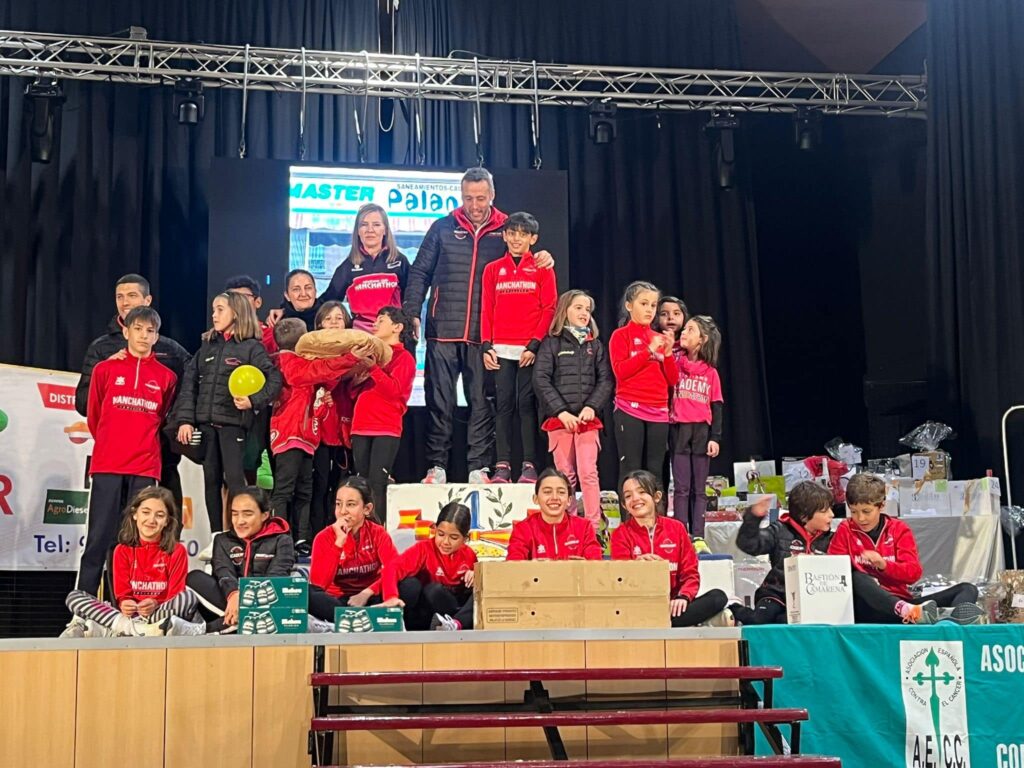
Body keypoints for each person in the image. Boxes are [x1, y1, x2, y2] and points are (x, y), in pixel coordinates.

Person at [403, 167, 554, 484]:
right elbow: (420, 272)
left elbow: (526, 255)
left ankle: (479, 467)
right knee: (439, 403)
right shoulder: (442, 227)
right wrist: (412, 311)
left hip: (483, 336)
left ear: (492, 195)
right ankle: (436, 467)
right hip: (442, 331)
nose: (474, 205)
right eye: (468, 198)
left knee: (482, 404)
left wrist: (543, 257)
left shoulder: (508, 229)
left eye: (481, 198)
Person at [75, 306, 178, 600]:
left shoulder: (167, 377)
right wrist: (111, 442)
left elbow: (162, 416)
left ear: (157, 336)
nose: (144, 336)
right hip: (108, 463)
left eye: (150, 331)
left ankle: (127, 606)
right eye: (138, 329)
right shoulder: (104, 369)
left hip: (145, 466)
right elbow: (95, 415)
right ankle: (84, 608)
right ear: (125, 331)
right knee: (98, 538)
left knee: (136, 540)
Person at [75, 273, 190, 508]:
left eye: (131, 295)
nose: (125, 302)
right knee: (108, 519)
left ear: (148, 300)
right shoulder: (101, 349)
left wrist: (170, 427)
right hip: (113, 456)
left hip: (158, 455)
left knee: (161, 515)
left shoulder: (171, 350)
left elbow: (186, 391)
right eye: (120, 297)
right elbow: (85, 403)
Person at [174, 292, 282, 533]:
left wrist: (253, 401)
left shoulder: (252, 347)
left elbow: (274, 380)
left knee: (235, 481)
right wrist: (185, 420)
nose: (214, 315)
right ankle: (217, 536)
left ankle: (241, 535)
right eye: (214, 309)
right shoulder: (207, 347)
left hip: (234, 426)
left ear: (237, 312)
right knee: (211, 481)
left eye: (220, 309)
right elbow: (189, 385)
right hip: (206, 426)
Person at [828, 473, 984, 625]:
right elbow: (834, 572)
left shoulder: (899, 529)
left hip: (904, 604)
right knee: (857, 577)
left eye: (866, 511)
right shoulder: (845, 529)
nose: (860, 518)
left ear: (882, 505)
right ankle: (915, 614)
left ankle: (946, 625)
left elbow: (913, 573)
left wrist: (884, 565)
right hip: (865, 607)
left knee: (968, 589)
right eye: (854, 512)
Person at [269, 318, 361, 554]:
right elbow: (320, 371)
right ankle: (279, 538)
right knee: (284, 490)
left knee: (304, 490)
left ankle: (300, 539)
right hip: (289, 434)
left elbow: (325, 378)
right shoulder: (284, 362)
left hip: (307, 436)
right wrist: (349, 357)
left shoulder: (301, 364)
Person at [184, 487, 333, 632]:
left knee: (303, 591)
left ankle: (216, 627)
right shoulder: (222, 540)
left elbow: (276, 577)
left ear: (264, 515)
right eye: (235, 514)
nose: (239, 521)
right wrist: (234, 594)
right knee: (195, 577)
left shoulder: (282, 539)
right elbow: (224, 572)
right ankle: (250, 622)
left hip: (268, 599)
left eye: (247, 514)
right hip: (231, 603)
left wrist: (246, 599)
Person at [480, 212, 558, 484]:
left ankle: (529, 465)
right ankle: (502, 466)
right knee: (503, 406)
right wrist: (486, 345)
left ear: (532, 239)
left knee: (526, 405)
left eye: (523, 234)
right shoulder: (492, 269)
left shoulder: (543, 268)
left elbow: (549, 308)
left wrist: (534, 345)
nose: (516, 239)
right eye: (512, 233)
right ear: (504, 235)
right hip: (500, 350)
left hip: (529, 350)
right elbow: (487, 308)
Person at [63, 487, 200, 637]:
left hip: (159, 615)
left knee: (189, 598)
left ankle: (121, 631)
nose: (151, 520)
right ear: (135, 514)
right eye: (145, 512)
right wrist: (125, 603)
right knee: (74, 597)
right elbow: (123, 595)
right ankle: (137, 629)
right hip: (127, 617)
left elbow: (175, 595)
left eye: (160, 515)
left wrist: (155, 603)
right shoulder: (122, 550)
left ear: (167, 521)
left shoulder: (177, 550)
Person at [533, 290, 613, 529]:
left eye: (587, 310)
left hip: (588, 422)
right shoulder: (551, 343)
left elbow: (606, 380)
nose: (584, 313)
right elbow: (541, 380)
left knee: (588, 473)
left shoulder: (595, 345)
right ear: (564, 310)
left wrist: (591, 407)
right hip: (560, 421)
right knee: (565, 476)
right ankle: (567, 526)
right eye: (578, 308)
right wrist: (561, 412)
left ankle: (593, 527)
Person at [612, 470, 730, 627]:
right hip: (638, 607)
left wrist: (683, 596)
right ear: (624, 505)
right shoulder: (620, 534)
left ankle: (665, 621)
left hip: (672, 606)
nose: (635, 499)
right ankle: (693, 621)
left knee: (718, 597)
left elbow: (690, 573)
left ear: (656, 497)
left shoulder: (676, 528)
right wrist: (637, 568)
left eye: (642, 492)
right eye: (628, 496)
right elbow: (619, 580)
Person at [732, 481, 834, 625]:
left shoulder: (832, 539)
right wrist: (753, 518)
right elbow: (749, 544)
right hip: (777, 593)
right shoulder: (779, 531)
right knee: (760, 619)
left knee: (789, 621)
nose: (832, 515)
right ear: (804, 516)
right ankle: (732, 608)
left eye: (831, 509)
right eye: (824, 511)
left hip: (813, 597)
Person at [608, 281, 678, 485]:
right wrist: (648, 351)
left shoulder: (659, 338)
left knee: (655, 469)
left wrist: (668, 355)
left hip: (658, 411)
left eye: (653, 305)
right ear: (629, 305)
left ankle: (656, 507)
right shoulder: (620, 335)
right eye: (644, 303)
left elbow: (672, 380)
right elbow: (621, 372)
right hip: (630, 408)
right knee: (631, 468)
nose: (649, 309)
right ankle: (628, 507)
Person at [350, 307, 416, 525]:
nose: (374, 324)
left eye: (381, 320)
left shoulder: (404, 358)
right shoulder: (371, 355)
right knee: (361, 484)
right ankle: (362, 531)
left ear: (397, 327)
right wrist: (357, 379)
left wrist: (374, 370)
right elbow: (351, 393)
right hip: (360, 424)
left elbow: (395, 391)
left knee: (377, 483)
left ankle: (377, 533)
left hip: (386, 426)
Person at [307, 477, 399, 622]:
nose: (343, 511)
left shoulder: (378, 533)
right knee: (307, 593)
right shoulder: (323, 537)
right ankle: (360, 618)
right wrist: (338, 543)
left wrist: (366, 593)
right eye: (338, 504)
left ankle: (355, 618)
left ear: (367, 509)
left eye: (351, 504)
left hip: (370, 598)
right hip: (337, 602)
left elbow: (395, 569)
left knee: (409, 584)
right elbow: (319, 585)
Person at [380, 502, 477, 631]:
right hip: (427, 611)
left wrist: (476, 575)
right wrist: (391, 597)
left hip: (454, 611)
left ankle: (455, 624)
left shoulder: (469, 555)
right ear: (435, 530)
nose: (446, 542)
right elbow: (392, 568)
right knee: (416, 586)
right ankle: (400, 623)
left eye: (454, 537)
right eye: (441, 534)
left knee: (481, 589)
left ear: (465, 539)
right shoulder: (424, 549)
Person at [670, 316, 724, 536]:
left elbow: (717, 407)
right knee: (681, 488)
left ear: (703, 339)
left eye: (690, 329)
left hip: (701, 432)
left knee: (699, 490)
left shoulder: (711, 373)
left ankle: (698, 535)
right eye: (684, 328)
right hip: (679, 431)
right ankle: (681, 534)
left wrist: (715, 438)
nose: (684, 332)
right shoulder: (675, 365)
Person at [225, 275, 274, 485]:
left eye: (244, 298)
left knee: (261, 464)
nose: (239, 304)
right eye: (233, 299)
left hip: (264, 410)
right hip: (230, 410)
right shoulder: (219, 337)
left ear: (258, 302)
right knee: (232, 471)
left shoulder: (271, 335)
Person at [311, 300, 354, 535]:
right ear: (319, 324)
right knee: (319, 486)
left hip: (345, 429)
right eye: (328, 319)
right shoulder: (311, 352)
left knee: (341, 489)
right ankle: (319, 535)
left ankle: (341, 532)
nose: (334, 322)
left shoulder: (355, 352)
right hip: (318, 430)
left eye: (339, 318)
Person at [506, 468, 604, 561]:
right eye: (547, 492)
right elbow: (514, 565)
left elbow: (595, 565)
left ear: (569, 500)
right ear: (535, 499)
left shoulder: (584, 527)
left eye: (561, 492)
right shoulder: (523, 529)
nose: (554, 497)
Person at [263, 269, 320, 352]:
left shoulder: (328, 317)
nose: (303, 294)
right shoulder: (277, 321)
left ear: (315, 291)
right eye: (296, 289)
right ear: (287, 295)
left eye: (308, 288)